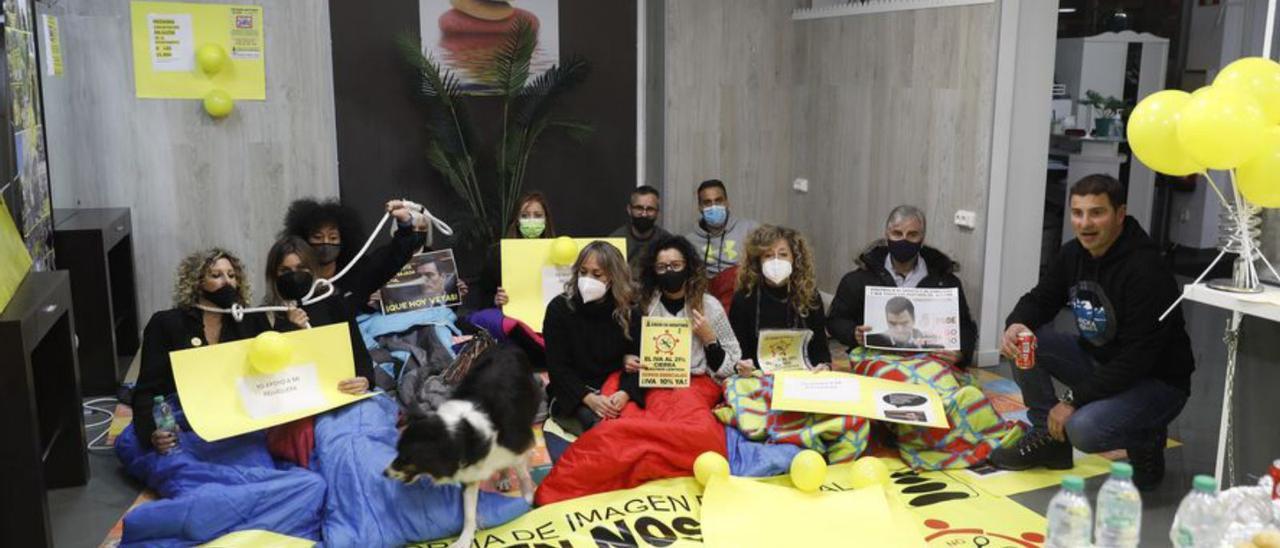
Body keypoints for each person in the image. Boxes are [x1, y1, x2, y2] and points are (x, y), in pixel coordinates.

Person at [989, 174, 1193, 490]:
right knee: (1027, 342)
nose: (1085, 223)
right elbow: (1040, 299)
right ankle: (1048, 437)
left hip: (1156, 382)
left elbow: (1137, 359)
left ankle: (1147, 437)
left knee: (1083, 430)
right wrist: (1015, 324)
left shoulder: (1145, 269)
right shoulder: (1073, 253)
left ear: (1120, 215)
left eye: (1097, 212)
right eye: (1078, 213)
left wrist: (1072, 400)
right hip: (1103, 362)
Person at [133, 249, 264, 453]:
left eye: (231, 275)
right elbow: (146, 391)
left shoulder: (250, 321)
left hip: (233, 420)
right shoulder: (166, 323)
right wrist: (152, 432)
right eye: (216, 275)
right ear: (197, 282)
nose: (226, 282)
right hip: (180, 418)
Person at [828, 205, 977, 366]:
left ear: (922, 238)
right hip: (876, 358)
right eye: (897, 233)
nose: (904, 240)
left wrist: (960, 353)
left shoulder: (945, 281)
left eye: (912, 235)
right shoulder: (859, 279)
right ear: (887, 235)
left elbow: (965, 327)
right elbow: (835, 320)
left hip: (929, 361)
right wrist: (853, 333)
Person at [542, 241, 643, 433]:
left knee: (640, 425)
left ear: (613, 278)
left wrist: (625, 393)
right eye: (583, 272)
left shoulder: (630, 311)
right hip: (574, 394)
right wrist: (589, 398)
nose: (587, 279)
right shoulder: (559, 309)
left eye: (597, 274)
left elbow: (639, 361)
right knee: (601, 428)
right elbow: (558, 367)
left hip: (615, 389)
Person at [260, 236, 373, 393]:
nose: (294, 275)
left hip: (340, 393)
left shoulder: (333, 303)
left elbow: (358, 352)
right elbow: (266, 371)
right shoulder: (266, 315)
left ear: (312, 269)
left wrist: (365, 380)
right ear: (273, 275)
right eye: (285, 271)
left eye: (301, 268)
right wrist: (289, 328)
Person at [281, 198, 429, 313]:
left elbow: (392, 259)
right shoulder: (296, 277)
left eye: (333, 238)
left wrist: (404, 225)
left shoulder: (357, 273)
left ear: (344, 240)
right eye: (318, 237)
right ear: (304, 240)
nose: (325, 243)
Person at [633, 235, 741, 379]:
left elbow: (731, 367)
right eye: (661, 267)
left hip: (698, 381)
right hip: (657, 381)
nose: (669, 271)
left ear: (688, 267)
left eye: (676, 265)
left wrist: (710, 341)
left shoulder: (710, 306)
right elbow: (632, 353)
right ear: (653, 271)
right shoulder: (645, 306)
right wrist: (629, 359)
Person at [728, 225, 830, 373]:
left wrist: (824, 366)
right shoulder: (744, 298)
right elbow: (738, 352)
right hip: (759, 375)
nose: (776, 261)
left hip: (803, 374)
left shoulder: (810, 296)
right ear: (758, 261)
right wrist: (743, 367)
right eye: (768, 256)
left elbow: (821, 349)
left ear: (795, 259)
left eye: (783, 255)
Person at [470, 191, 558, 310]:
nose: (531, 220)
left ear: (546, 219)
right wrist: (495, 300)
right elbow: (481, 297)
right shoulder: (497, 253)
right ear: (517, 220)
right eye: (525, 216)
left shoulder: (558, 252)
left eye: (537, 215)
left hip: (549, 321)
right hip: (510, 321)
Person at [685, 179, 759, 311]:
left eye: (718, 201)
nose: (713, 206)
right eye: (707, 202)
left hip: (742, 292)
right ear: (700, 207)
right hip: (707, 297)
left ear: (727, 202)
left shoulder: (750, 229)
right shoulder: (690, 241)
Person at [610, 185, 671, 278]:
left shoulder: (667, 241)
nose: (644, 214)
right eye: (639, 208)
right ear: (629, 209)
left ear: (657, 213)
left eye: (650, 209)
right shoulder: (614, 241)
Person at [863, 296, 943, 350]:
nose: (899, 330)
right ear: (886, 320)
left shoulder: (932, 341)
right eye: (893, 324)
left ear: (914, 319)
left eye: (904, 323)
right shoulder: (871, 341)